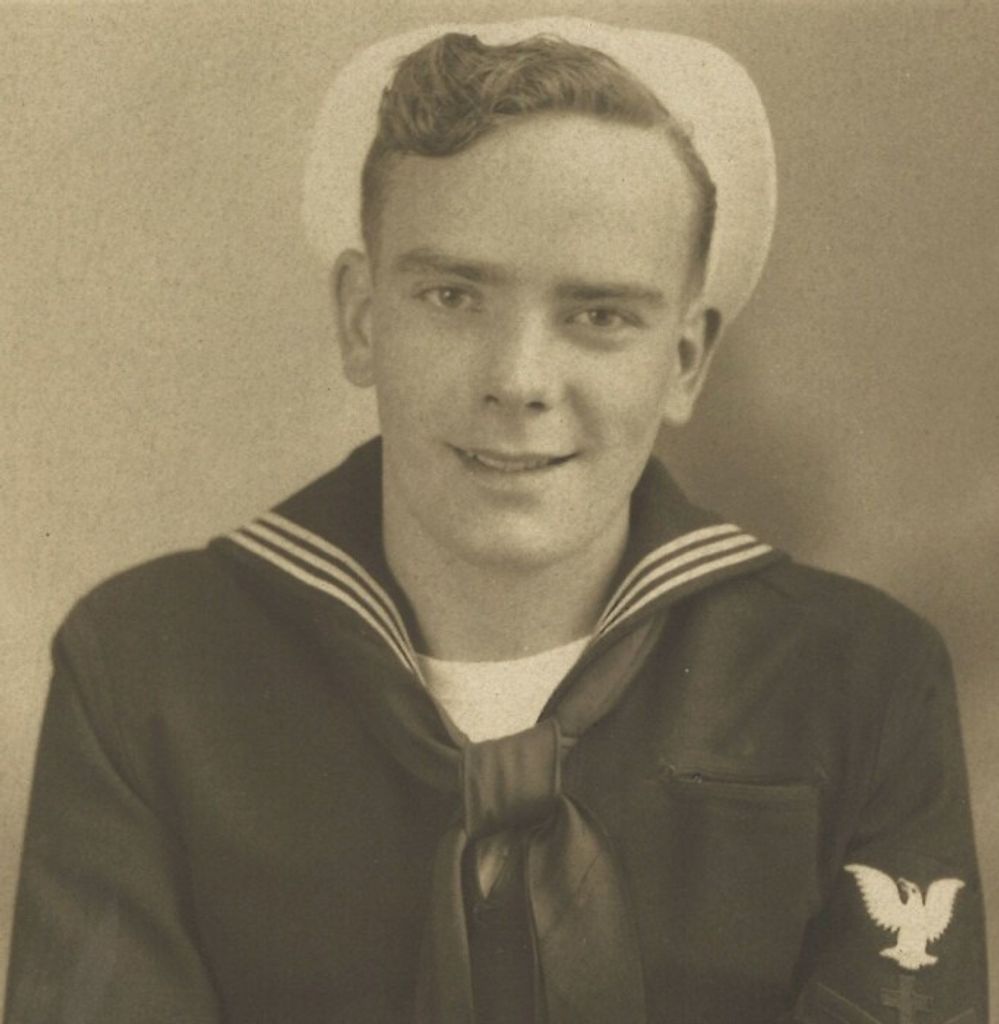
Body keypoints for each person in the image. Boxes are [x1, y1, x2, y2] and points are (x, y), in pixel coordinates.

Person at [4, 17, 987, 1024]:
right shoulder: (148, 669)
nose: (517, 379)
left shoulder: (859, 680)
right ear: (361, 317)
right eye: (452, 296)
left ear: (685, 361)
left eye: (599, 316)